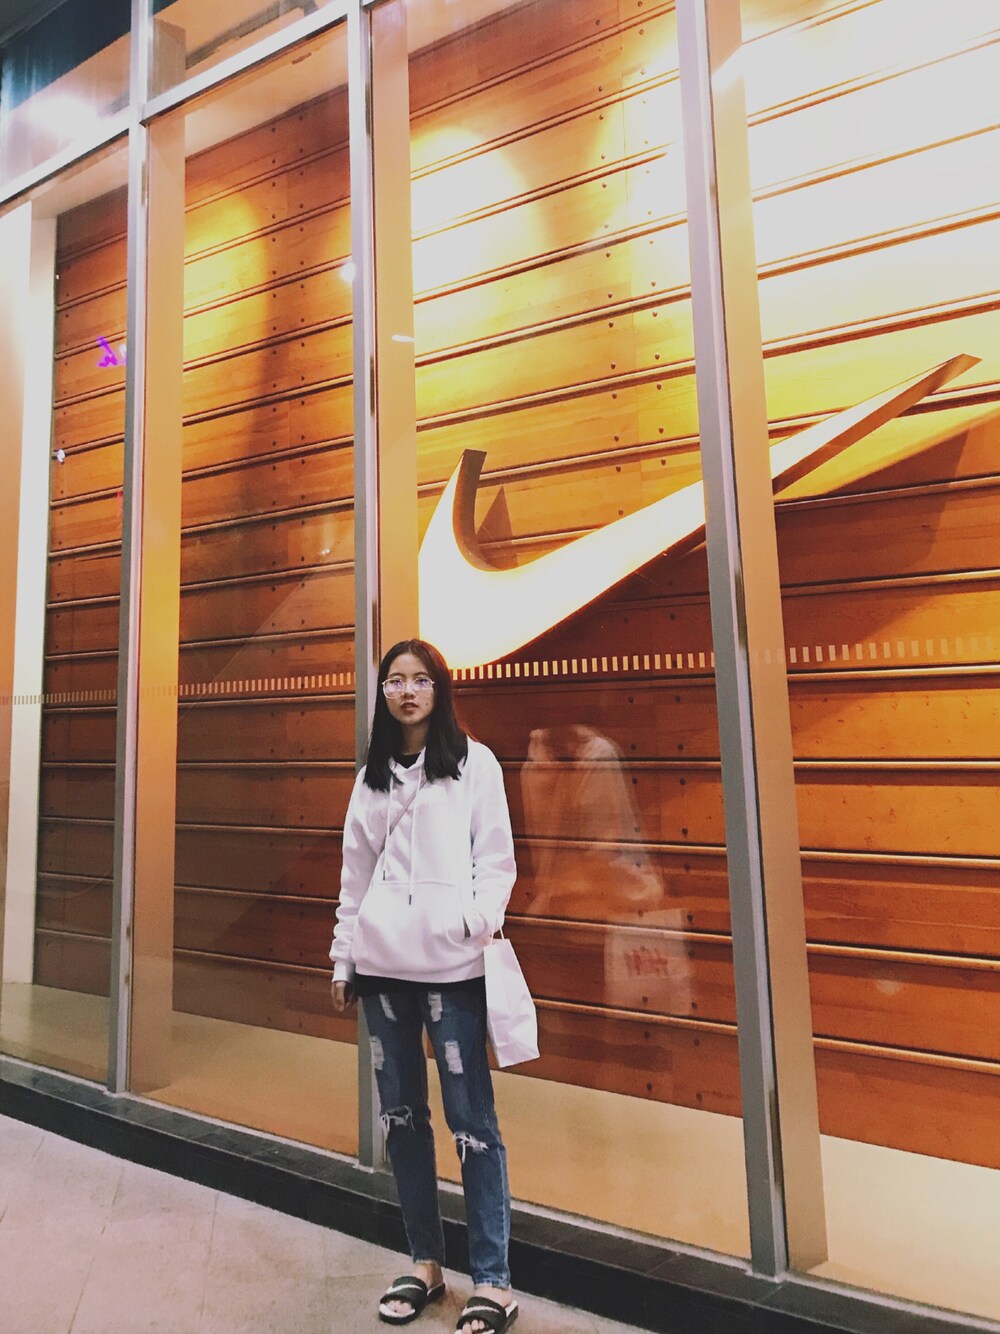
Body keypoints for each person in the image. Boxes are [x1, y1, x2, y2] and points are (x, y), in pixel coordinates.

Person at [330, 639, 519, 1333]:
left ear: (439, 688)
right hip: (383, 969)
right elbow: (354, 876)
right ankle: (425, 1263)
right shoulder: (371, 776)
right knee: (402, 1118)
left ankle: (493, 1281)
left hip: (452, 969)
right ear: (383, 693)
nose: (407, 692)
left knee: (473, 1123)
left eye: (419, 680)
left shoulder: (474, 764)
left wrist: (471, 921)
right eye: (394, 681)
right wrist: (343, 960)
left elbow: (496, 861)